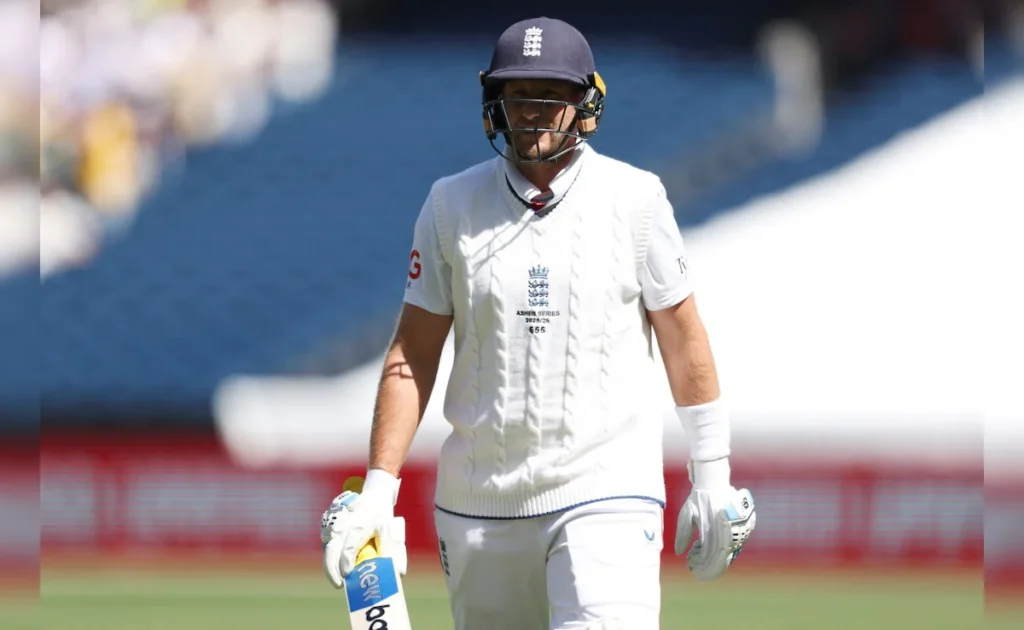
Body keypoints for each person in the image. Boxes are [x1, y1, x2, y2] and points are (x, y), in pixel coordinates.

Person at [321, 16, 756, 630]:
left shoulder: (637, 199)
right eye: (518, 96)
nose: (532, 112)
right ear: (494, 104)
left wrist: (712, 474)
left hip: (608, 489)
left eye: (551, 96)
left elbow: (682, 335)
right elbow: (412, 352)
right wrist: (378, 490)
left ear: (586, 103)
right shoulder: (450, 204)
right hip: (479, 506)